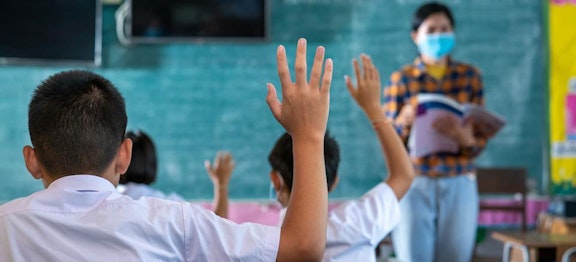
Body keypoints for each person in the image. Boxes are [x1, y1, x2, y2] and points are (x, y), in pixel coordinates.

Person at [0, 38, 333, 261]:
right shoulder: (171, 222)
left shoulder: (6, 225)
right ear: (124, 155)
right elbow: (302, 249)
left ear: (32, 160)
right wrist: (308, 135)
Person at [265, 55, 414, 261]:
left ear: (275, 179)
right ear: (334, 181)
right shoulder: (359, 221)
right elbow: (404, 175)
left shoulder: (269, 242)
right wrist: (374, 109)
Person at [384, 3, 492, 262]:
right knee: (412, 256)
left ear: (453, 33)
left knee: (456, 256)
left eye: (444, 29)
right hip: (414, 180)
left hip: (459, 179)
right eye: (431, 30)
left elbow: (480, 137)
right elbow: (389, 140)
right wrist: (403, 121)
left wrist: (469, 140)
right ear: (415, 36)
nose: (438, 36)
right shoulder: (401, 79)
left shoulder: (470, 76)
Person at [117, 130, 234, 218]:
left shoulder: (107, 201)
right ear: (153, 164)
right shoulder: (171, 205)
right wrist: (221, 184)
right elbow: (215, 229)